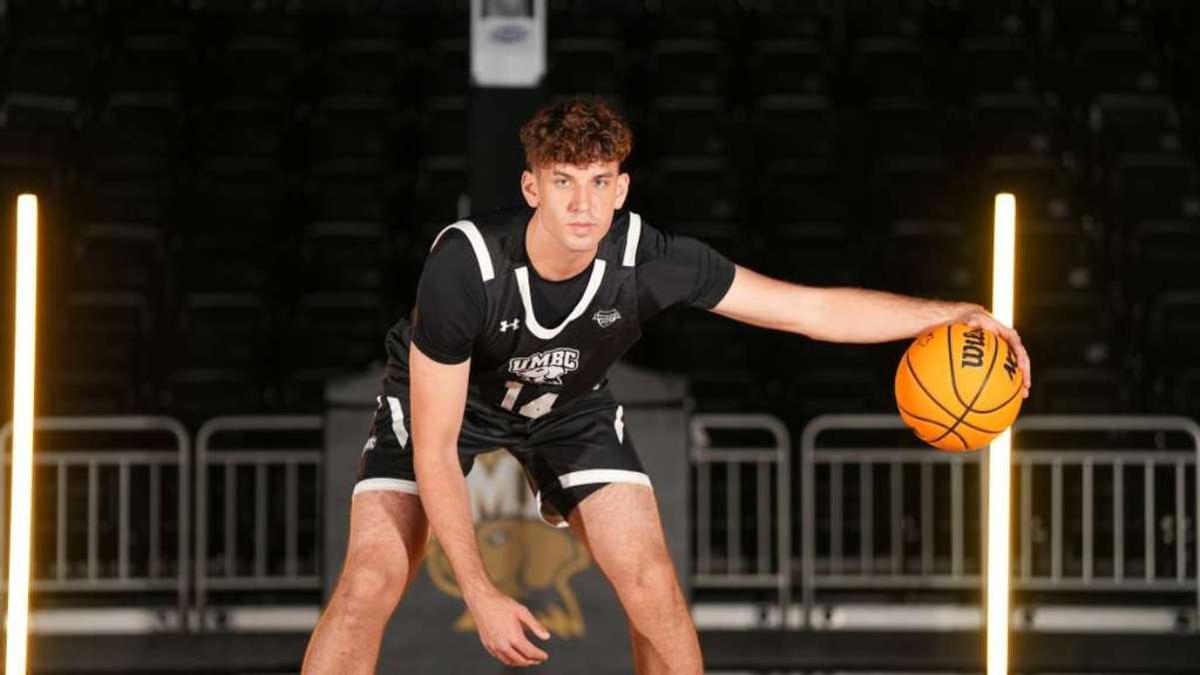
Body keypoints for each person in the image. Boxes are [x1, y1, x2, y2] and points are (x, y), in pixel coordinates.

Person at [302, 95, 1033, 674]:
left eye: (597, 182)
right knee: (369, 580)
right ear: (532, 186)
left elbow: (808, 308)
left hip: (567, 405)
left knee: (653, 586)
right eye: (563, 182)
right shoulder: (466, 268)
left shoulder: (652, 261)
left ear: (621, 187)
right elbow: (433, 446)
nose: (582, 204)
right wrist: (482, 592)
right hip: (447, 405)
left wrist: (956, 312)